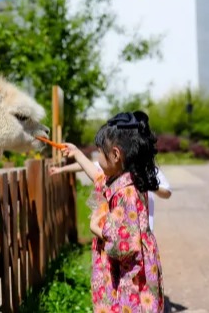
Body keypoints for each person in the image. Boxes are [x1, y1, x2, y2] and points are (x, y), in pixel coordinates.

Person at [61, 111, 164, 312]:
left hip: (129, 272)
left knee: (127, 305)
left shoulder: (125, 192)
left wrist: (96, 227)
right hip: (135, 265)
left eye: (99, 152)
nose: (98, 159)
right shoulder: (124, 179)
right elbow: (97, 176)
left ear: (116, 154)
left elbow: (122, 244)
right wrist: (77, 153)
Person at [49, 160, 171, 231]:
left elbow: (167, 192)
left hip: (141, 232)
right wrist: (62, 169)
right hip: (114, 235)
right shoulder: (112, 166)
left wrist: (147, 184)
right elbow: (85, 164)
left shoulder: (148, 169)